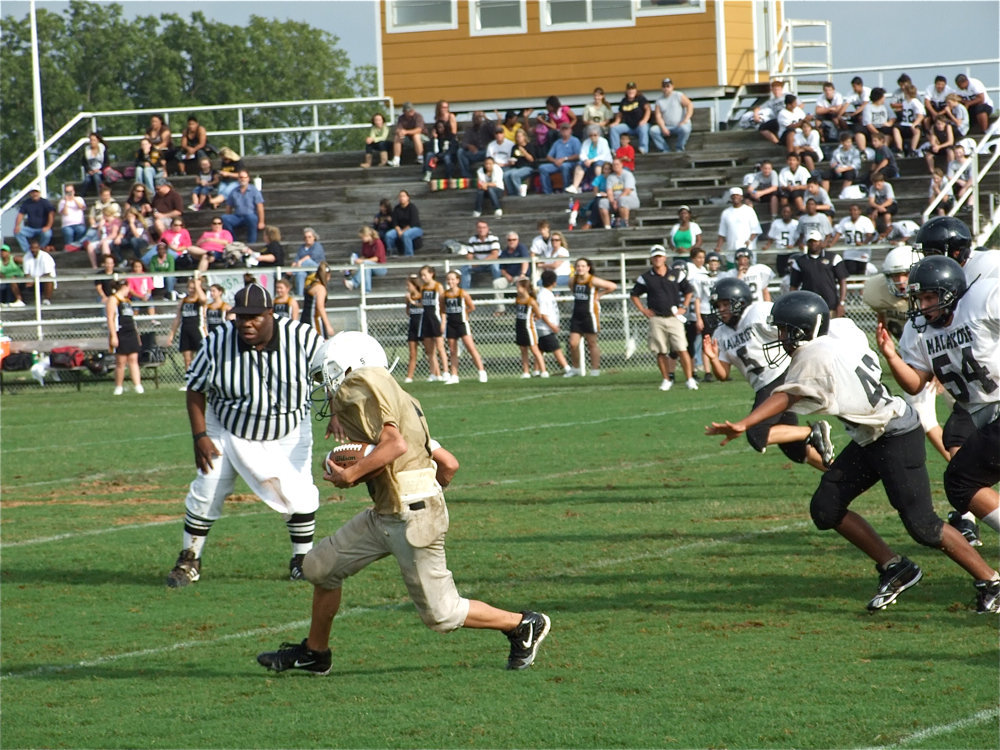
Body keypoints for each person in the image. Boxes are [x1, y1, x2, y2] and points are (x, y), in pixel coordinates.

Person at [256, 331, 551, 675]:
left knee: (442, 615)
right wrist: (419, 487)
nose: (328, 387)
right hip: (387, 513)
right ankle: (315, 653)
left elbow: (395, 445)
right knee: (320, 567)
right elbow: (448, 464)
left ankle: (522, 624)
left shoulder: (364, 383)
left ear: (349, 366)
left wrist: (353, 475)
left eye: (328, 375)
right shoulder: (399, 399)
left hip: (411, 516)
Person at [705, 291, 1000, 613]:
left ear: (804, 330)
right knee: (826, 508)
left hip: (895, 435)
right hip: (868, 436)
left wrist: (745, 423)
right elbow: (839, 330)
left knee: (924, 526)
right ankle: (896, 567)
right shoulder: (841, 331)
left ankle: (991, 581)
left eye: (786, 330)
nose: (781, 337)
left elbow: (785, 397)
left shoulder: (812, 355)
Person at [165, 283, 324, 588]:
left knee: (300, 493)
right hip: (228, 426)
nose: (246, 323)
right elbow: (195, 387)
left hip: (288, 426)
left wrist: (339, 412)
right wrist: (200, 436)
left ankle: (302, 560)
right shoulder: (218, 341)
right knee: (208, 488)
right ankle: (189, 559)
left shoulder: (302, 337)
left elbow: (331, 374)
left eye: (254, 317)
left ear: (271, 313)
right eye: (241, 317)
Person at [882, 254, 999, 550]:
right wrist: (892, 357)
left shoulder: (982, 301)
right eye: (919, 299)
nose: (923, 306)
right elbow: (915, 382)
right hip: (982, 414)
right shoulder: (918, 330)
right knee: (962, 476)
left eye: (929, 297)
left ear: (951, 292)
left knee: (961, 481)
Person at [702, 278, 833, 471]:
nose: (721, 310)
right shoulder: (721, 333)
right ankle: (840, 476)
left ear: (740, 301)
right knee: (794, 449)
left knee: (757, 434)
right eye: (718, 306)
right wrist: (713, 358)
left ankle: (812, 430)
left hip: (779, 375)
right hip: (762, 384)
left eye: (725, 304)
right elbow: (723, 375)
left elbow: (790, 327)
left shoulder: (757, 313)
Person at [861, 246, 948, 463]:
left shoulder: (934, 296)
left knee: (972, 413)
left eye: (904, 274)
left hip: (946, 357)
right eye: (894, 276)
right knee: (924, 418)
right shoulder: (879, 294)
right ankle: (961, 465)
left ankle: (970, 466)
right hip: (917, 361)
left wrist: (941, 366)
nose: (900, 281)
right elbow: (882, 320)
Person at [630, 245, 696, 391]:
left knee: (682, 349)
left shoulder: (676, 273)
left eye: (660, 256)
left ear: (665, 258)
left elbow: (689, 291)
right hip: (657, 318)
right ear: (651, 259)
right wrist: (643, 310)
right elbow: (634, 295)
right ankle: (666, 379)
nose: (658, 259)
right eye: (655, 257)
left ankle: (689, 379)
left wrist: (684, 307)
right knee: (660, 351)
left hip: (674, 317)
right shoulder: (646, 277)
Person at [565, 257, 616, 378]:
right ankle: (576, 368)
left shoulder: (592, 280)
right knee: (572, 343)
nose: (580, 268)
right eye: (578, 266)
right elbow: (572, 289)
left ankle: (595, 370)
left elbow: (612, 286)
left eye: (583, 266)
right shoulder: (573, 280)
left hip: (590, 315)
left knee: (591, 343)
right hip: (577, 315)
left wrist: (600, 295)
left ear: (588, 268)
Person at [441, 270, 488, 384]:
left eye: (453, 279)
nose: (450, 281)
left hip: (462, 323)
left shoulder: (463, 293)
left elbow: (471, 307)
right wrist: (443, 323)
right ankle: (454, 375)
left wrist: (465, 313)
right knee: (453, 350)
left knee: (470, 347)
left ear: (458, 280)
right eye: (448, 279)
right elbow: (443, 310)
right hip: (450, 324)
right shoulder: (444, 295)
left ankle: (482, 371)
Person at [788, 231, 847, 316]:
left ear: (821, 242)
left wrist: (841, 303)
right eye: (810, 241)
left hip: (830, 305)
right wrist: (794, 304)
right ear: (807, 243)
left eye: (815, 241)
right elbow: (794, 286)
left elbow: (842, 281)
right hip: (809, 307)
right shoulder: (800, 261)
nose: (813, 244)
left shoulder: (833, 258)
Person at [105, 280, 144, 396]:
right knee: (121, 361)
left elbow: (132, 319)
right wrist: (113, 336)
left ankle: (138, 385)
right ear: (123, 287)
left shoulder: (127, 301)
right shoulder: (113, 299)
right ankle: (119, 386)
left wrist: (137, 335)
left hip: (130, 332)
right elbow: (110, 318)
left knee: (133, 359)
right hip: (120, 332)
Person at [533, 270, 571, 374]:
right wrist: (552, 326)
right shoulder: (544, 295)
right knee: (556, 348)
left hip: (546, 327)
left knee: (540, 349)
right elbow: (543, 314)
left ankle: (536, 371)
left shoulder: (547, 293)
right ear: (554, 282)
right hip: (544, 328)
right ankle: (567, 368)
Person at [166, 276, 207, 373]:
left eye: (193, 288)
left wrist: (198, 286)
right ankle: (189, 378)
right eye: (190, 288)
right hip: (185, 330)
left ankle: (202, 376)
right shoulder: (184, 301)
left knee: (202, 356)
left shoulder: (199, 300)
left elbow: (204, 299)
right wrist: (171, 335)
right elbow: (177, 319)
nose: (191, 290)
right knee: (187, 359)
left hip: (198, 330)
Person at [418, 265, 448, 382]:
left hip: (436, 319)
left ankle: (446, 372)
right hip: (426, 319)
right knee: (430, 350)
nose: (423, 277)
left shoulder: (438, 286)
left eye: (425, 275)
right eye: (421, 275)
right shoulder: (423, 288)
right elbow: (422, 304)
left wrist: (443, 321)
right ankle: (434, 373)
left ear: (431, 274)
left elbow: (442, 305)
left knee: (440, 347)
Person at [649, 77, 694, 152]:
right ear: (662, 88)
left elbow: (689, 105)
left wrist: (685, 120)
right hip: (667, 127)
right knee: (653, 130)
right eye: (664, 87)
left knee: (685, 129)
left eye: (668, 86)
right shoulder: (659, 101)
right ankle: (665, 150)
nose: (666, 88)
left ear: (672, 86)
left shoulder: (678, 95)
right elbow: (658, 116)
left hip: (680, 126)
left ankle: (679, 148)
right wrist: (663, 127)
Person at [830, 203, 876, 275]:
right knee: (850, 273)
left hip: (862, 252)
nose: (853, 212)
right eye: (851, 210)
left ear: (859, 211)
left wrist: (863, 243)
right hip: (849, 252)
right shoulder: (845, 221)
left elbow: (870, 235)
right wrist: (831, 243)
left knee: (861, 274)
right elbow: (838, 233)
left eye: (855, 210)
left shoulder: (865, 221)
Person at [513, 277, 546, 378]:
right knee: (523, 350)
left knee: (535, 350)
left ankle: (543, 371)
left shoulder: (531, 301)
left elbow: (538, 315)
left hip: (529, 328)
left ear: (525, 288)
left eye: (518, 287)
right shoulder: (518, 299)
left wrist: (532, 320)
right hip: (520, 327)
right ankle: (526, 371)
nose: (517, 289)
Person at [714, 187, 761, 256]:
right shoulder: (726, 213)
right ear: (731, 198)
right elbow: (722, 232)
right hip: (732, 249)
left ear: (741, 197)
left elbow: (755, 230)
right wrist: (718, 247)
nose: (735, 197)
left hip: (747, 248)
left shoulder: (749, 210)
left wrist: (749, 241)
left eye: (737, 195)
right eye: (733, 196)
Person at [221, 170, 265, 244]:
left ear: (248, 178)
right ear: (238, 179)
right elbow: (229, 207)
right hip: (237, 217)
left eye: (245, 177)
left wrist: (261, 222)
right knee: (224, 218)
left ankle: (251, 243)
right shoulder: (234, 191)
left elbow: (260, 207)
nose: (243, 179)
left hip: (250, 216)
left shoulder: (254, 190)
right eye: (241, 177)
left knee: (251, 218)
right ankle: (234, 242)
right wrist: (228, 216)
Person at [566, 125, 612, 195]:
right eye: (591, 135)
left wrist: (591, 160)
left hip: (602, 161)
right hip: (589, 162)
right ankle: (575, 186)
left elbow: (604, 155)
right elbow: (582, 154)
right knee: (580, 164)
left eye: (595, 135)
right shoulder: (586, 142)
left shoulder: (603, 141)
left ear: (598, 134)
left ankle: (600, 186)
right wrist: (586, 160)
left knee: (598, 165)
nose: (593, 137)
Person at [537, 123, 581, 194]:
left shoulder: (575, 140)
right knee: (542, 168)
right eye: (563, 130)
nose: (564, 131)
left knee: (564, 166)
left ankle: (566, 190)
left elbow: (578, 155)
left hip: (570, 163)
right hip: (557, 163)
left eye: (566, 129)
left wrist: (564, 159)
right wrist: (555, 161)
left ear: (570, 130)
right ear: (560, 131)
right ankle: (547, 192)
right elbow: (548, 156)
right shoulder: (557, 142)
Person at [609, 81, 651, 155]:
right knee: (614, 129)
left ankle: (643, 149)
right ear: (626, 91)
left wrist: (644, 120)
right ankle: (616, 151)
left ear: (636, 90)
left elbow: (648, 109)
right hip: (628, 126)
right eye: (629, 89)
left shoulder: (640, 99)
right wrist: (616, 122)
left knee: (643, 127)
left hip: (639, 125)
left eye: (632, 89)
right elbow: (620, 113)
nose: (631, 91)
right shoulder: (624, 101)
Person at [598, 158, 639, 228]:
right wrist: (612, 202)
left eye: (617, 164)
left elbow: (627, 191)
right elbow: (609, 191)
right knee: (603, 202)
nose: (616, 166)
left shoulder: (628, 175)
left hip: (630, 199)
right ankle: (607, 226)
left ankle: (624, 225)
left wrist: (617, 201)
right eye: (614, 165)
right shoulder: (610, 177)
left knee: (622, 200)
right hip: (614, 201)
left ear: (621, 165)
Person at [461, 220, 502, 290]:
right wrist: (472, 262)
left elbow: (494, 255)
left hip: (490, 264)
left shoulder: (493, 238)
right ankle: (465, 292)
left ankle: (499, 291)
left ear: (487, 229)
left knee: (495, 266)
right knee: (465, 267)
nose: (481, 230)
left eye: (484, 227)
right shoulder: (472, 239)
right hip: (479, 264)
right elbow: (469, 255)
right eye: (479, 227)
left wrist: (480, 263)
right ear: (476, 229)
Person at [13, 187, 55, 254]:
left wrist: (48, 226)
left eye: (36, 192)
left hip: (42, 228)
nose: (35, 194)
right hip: (30, 229)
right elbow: (20, 214)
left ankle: (40, 250)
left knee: (47, 234)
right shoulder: (26, 203)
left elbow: (51, 213)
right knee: (17, 232)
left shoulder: (45, 202)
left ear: (39, 193)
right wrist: (17, 225)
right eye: (33, 192)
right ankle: (27, 251)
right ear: (30, 194)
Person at [346, 226, 388, 293]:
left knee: (366, 264)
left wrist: (363, 261)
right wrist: (357, 261)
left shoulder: (378, 243)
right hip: (369, 266)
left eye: (362, 237)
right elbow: (364, 256)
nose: (362, 239)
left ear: (367, 235)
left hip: (380, 267)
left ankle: (354, 282)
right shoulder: (365, 244)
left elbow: (376, 258)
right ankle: (366, 290)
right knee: (366, 268)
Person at [822, 131, 862, 196]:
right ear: (842, 143)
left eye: (850, 142)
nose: (849, 144)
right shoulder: (837, 151)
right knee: (825, 175)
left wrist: (844, 169)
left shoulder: (855, 151)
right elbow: (832, 162)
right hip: (838, 169)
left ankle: (843, 194)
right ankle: (825, 195)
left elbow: (856, 165)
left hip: (849, 169)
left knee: (849, 174)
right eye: (847, 142)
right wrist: (834, 166)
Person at [385, 190, 423, 257]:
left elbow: (413, 222)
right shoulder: (396, 208)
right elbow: (395, 222)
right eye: (400, 196)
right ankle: (393, 253)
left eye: (403, 196)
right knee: (389, 235)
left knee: (406, 235)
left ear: (408, 197)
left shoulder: (412, 208)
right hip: (400, 229)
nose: (401, 198)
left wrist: (402, 231)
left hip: (414, 228)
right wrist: (399, 230)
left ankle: (409, 255)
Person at [301, 262, 335, 338]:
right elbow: (320, 307)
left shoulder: (311, 284)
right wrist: (328, 325)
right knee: (321, 342)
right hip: (314, 320)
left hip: (305, 319)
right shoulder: (320, 288)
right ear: (328, 275)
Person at [289, 227, 326, 296]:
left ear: (314, 237)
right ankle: (300, 295)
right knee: (300, 274)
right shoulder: (302, 247)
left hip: (317, 269)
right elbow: (296, 259)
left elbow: (311, 257)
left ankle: (292, 273)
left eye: (309, 237)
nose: (307, 239)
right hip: (304, 269)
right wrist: (292, 265)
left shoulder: (317, 246)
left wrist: (299, 263)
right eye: (305, 237)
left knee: (307, 261)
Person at [457, 110, 493, 179]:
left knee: (489, 151)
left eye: (479, 117)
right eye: (475, 117)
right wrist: (469, 146)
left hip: (486, 153)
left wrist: (486, 118)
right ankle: (466, 176)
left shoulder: (487, 127)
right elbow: (464, 143)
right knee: (460, 152)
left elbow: (495, 131)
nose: (477, 119)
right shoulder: (470, 130)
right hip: (475, 153)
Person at [403, 274, 426, 384]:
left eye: (409, 285)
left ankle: (436, 373)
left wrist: (412, 301)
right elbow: (408, 312)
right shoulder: (409, 298)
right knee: (412, 353)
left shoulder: (422, 296)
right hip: (413, 326)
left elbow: (423, 306)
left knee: (429, 352)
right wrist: (409, 301)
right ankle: (409, 376)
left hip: (423, 326)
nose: (407, 287)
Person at [502, 129, 537, 197]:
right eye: (517, 137)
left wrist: (524, 151)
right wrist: (511, 162)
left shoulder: (529, 146)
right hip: (517, 167)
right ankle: (512, 193)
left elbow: (532, 159)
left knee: (514, 175)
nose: (518, 138)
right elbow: (513, 158)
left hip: (528, 167)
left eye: (520, 136)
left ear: (524, 137)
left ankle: (519, 193)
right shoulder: (514, 147)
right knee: (506, 175)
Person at [390, 102, 426, 166]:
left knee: (416, 136)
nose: (411, 111)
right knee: (397, 137)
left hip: (422, 138)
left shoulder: (418, 116)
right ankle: (396, 159)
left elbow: (419, 130)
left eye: (412, 110)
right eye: (409, 110)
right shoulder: (401, 118)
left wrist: (406, 132)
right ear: (404, 111)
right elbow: (398, 128)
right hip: (408, 138)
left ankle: (420, 158)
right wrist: (399, 132)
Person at [21, 239, 56, 305]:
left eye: (35, 248)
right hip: (32, 281)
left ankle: (47, 300)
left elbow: (47, 274)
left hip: (43, 281)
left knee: (49, 279)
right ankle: (19, 301)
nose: (33, 250)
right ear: (30, 248)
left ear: (39, 248)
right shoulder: (26, 256)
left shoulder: (45, 257)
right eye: (32, 248)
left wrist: (34, 281)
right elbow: (27, 273)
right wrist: (29, 280)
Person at [58, 184, 87, 249]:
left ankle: (78, 247)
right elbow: (65, 213)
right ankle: (69, 248)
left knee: (81, 230)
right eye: (67, 192)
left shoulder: (79, 199)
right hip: (67, 225)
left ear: (73, 191)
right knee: (68, 233)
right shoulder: (62, 202)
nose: (69, 193)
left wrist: (74, 199)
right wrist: (66, 202)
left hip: (79, 224)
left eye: (70, 191)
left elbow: (81, 207)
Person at [80, 132, 107, 197]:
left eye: (94, 140)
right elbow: (84, 162)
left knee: (96, 177)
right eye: (91, 140)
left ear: (98, 140)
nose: (92, 142)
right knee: (86, 180)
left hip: (100, 171)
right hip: (90, 171)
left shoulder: (103, 149)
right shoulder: (87, 150)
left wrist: (99, 169)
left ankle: (99, 194)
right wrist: (89, 170)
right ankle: (82, 196)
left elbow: (106, 162)